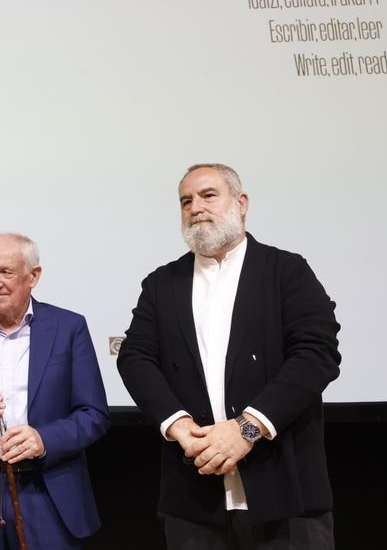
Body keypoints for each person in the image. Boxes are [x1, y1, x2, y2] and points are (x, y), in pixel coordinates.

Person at [117, 163, 341, 548]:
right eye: (186, 201)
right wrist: (181, 428)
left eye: (208, 195)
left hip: (285, 491)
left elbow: (317, 353)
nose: (195, 207)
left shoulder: (287, 271)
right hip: (192, 496)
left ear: (241, 203)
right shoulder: (161, 284)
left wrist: (246, 430)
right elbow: (134, 357)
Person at [0, 232, 110, 549]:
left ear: (34, 276)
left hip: (47, 488)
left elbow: (93, 415)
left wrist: (44, 439)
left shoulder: (68, 328)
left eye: (6, 272)